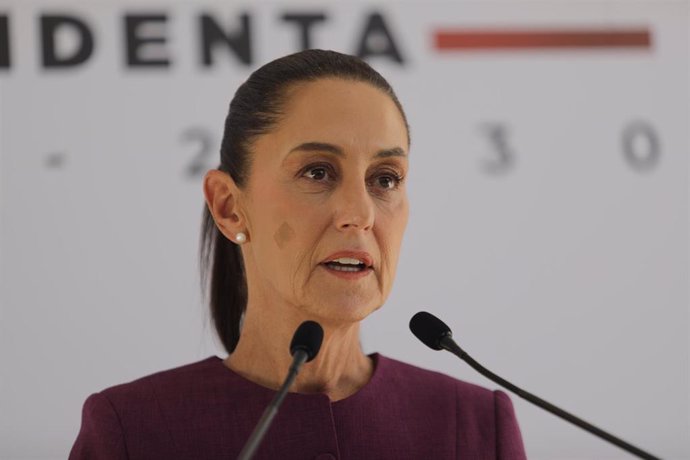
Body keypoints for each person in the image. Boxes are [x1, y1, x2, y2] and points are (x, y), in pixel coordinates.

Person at [69, 49, 527, 459]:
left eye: (385, 178)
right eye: (317, 172)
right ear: (229, 207)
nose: (359, 214)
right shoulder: (131, 432)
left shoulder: (477, 427)